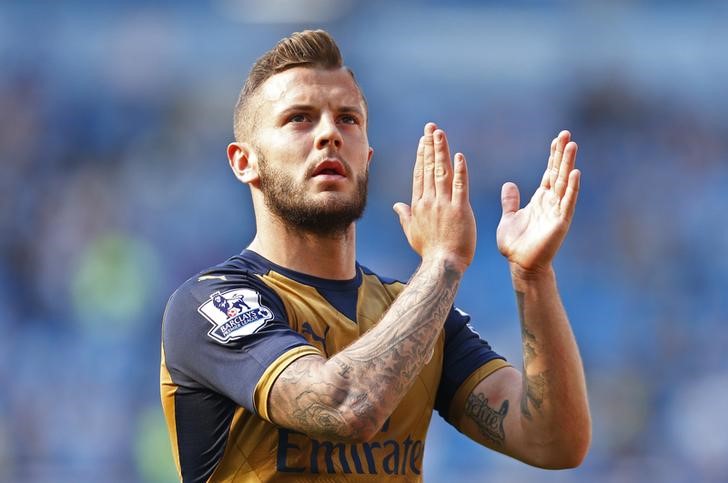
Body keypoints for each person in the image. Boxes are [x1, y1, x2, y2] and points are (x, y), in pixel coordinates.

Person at [160, 29, 590, 482]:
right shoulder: (211, 303)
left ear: (367, 155)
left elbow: (554, 443)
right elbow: (344, 408)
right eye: (299, 119)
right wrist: (442, 261)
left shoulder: (419, 315)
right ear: (244, 161)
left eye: (348, 119)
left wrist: (532, 276)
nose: (329, 134)